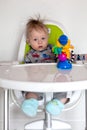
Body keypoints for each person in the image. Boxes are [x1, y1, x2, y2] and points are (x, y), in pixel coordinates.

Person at [21, 16, 70, 117]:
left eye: (43, 38)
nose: (40, 42)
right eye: (35, 39)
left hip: (55, 81)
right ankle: (31, 103)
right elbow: (25, 71)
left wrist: (60, 55)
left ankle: (56, 104)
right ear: (28, 41)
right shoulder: (29, 55)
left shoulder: (53, 49)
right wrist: (33, 71)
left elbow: (62, 60)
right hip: (37, 82)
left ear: (47, 38)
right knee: (29, 92)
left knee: (65, 92)